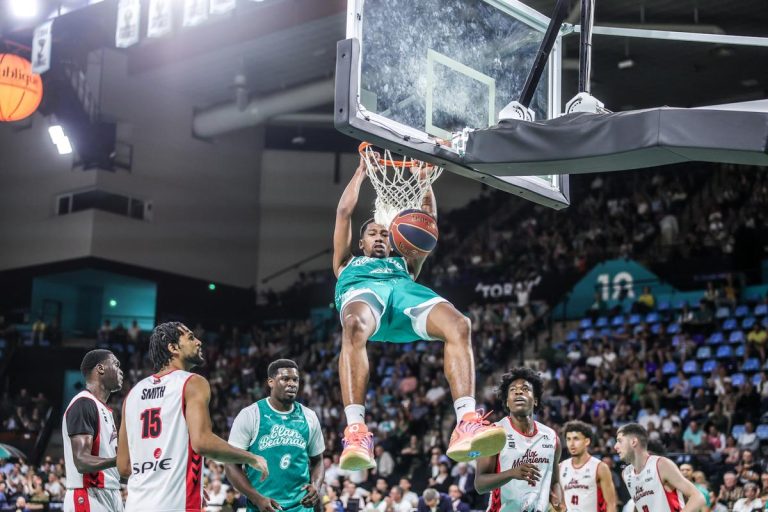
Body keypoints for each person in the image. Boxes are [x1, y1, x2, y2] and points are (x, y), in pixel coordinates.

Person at [333, 154, 504, 469]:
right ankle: (356, 431)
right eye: (373, 234)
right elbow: (344, 212)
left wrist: (424, 179)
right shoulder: (346, 262)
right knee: (354, 323)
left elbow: (427, 221)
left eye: (385, 234)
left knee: (460, 324)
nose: (381, 237)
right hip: (365, 294)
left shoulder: (405, 262)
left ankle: (466, 420)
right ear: (361, 242)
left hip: (402, 295)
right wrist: (360, 173)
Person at [117, 322, 268, 511]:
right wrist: (251, 457)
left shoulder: (132, 394)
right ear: (173, 348)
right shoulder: (192, 382)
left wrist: (177, 481)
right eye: (190, 337)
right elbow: (202, 442)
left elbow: (123, 466)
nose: (199, 342)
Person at [225, 359, 325, 512]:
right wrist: (256, 498)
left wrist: (316, 486)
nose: (292, 384)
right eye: (285, 379)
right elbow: (231, 465)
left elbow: (318, 460)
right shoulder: (251, 414)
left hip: (301, 507)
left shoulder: (309, 416)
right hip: (262, 507)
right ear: (271, 382)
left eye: (295, 380)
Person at [475, 367, 564, 512]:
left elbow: (554, 482)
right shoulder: (494, 433)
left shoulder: (552, 438)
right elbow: (480, 485)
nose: (518, 391)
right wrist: (511, 473)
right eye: (512, 390)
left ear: (535, 401)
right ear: (507, 402)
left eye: (525, 389)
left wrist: (556, 498)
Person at [62, 349, 123, 512]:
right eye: (116, 365)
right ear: (101, 368)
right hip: (88, 495)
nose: (121, 371)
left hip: (111, 493)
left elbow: (114, 468)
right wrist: (120, 459)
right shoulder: (83, 404)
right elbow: (82, 461)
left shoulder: (108, 412)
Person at [613, 423, 704, 512]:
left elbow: (698, 497)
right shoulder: (626, 474)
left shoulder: (661, 465)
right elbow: (641, 504)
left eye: (620, 441)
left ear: (633, 442)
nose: (615, 446)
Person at [560, 420, 617, 512]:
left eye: (576, 439)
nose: (572, 443)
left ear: (586, 441)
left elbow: (611, 504)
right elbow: (561, 504)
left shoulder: (600, 467)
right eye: (568, 439)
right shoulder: (561, 467)